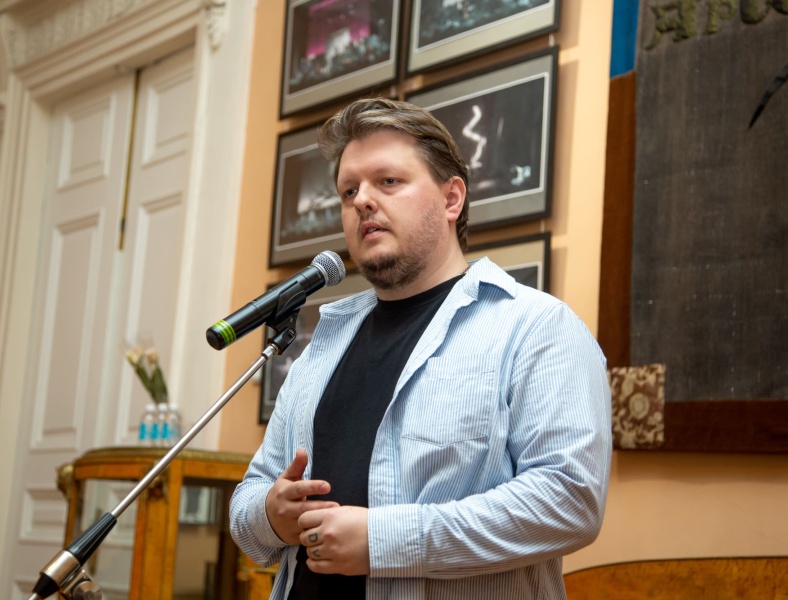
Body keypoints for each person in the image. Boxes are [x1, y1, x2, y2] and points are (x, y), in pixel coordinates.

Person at [229, 98, 612, 599]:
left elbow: (570, 501)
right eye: (349, 191)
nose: (362, 201)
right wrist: (272, 515)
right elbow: (249, 499)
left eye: (388, 181)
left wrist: (383, 542)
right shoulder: (325, 341)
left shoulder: (536, 327)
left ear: (452, 199)